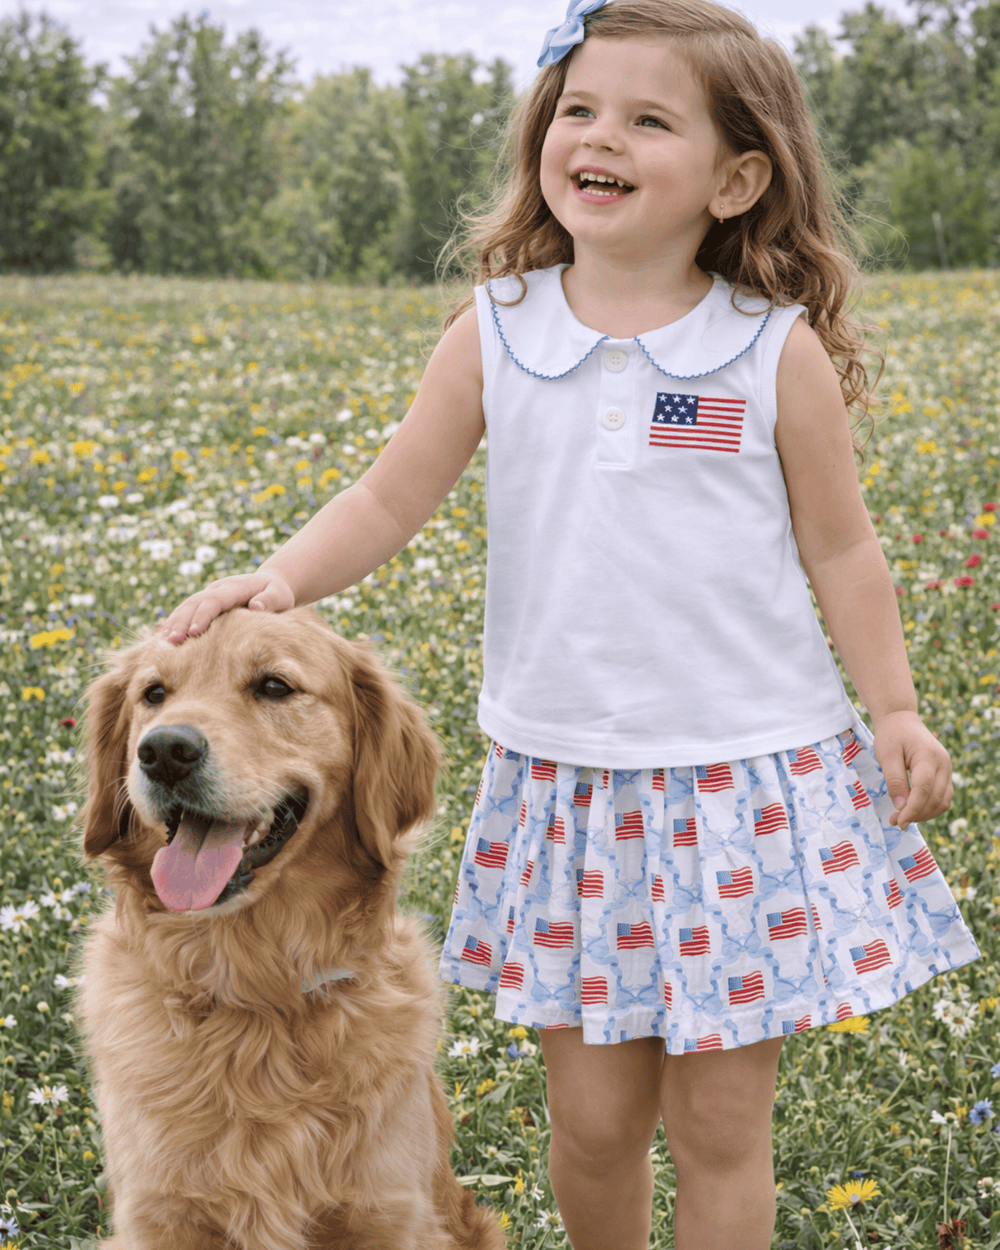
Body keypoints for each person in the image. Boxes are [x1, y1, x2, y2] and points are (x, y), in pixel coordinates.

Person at [158, 1, 981, 1246]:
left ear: (735, 176)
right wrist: (276, 588)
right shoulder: (499, 328)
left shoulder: (769, 350)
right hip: (569, 784)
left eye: (650, 119)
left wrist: (897, 706)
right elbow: (391, 492)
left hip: (737, 784)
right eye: (580, 109)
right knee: (592, 1121)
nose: (598, 135)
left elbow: (841, 545)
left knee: (718, 1127)